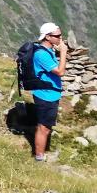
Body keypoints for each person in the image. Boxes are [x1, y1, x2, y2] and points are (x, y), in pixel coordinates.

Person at [30, 22, 66, 162]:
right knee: (44, 128)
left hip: (50, 93)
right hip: (46, 95)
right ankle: (39, 157)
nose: (60, 38)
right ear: (48, 37)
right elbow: (60, 72)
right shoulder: (41, 54)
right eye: (58, 36)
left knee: (45, 126)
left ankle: (41, 152)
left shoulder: (47, 50)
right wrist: (63, 52)